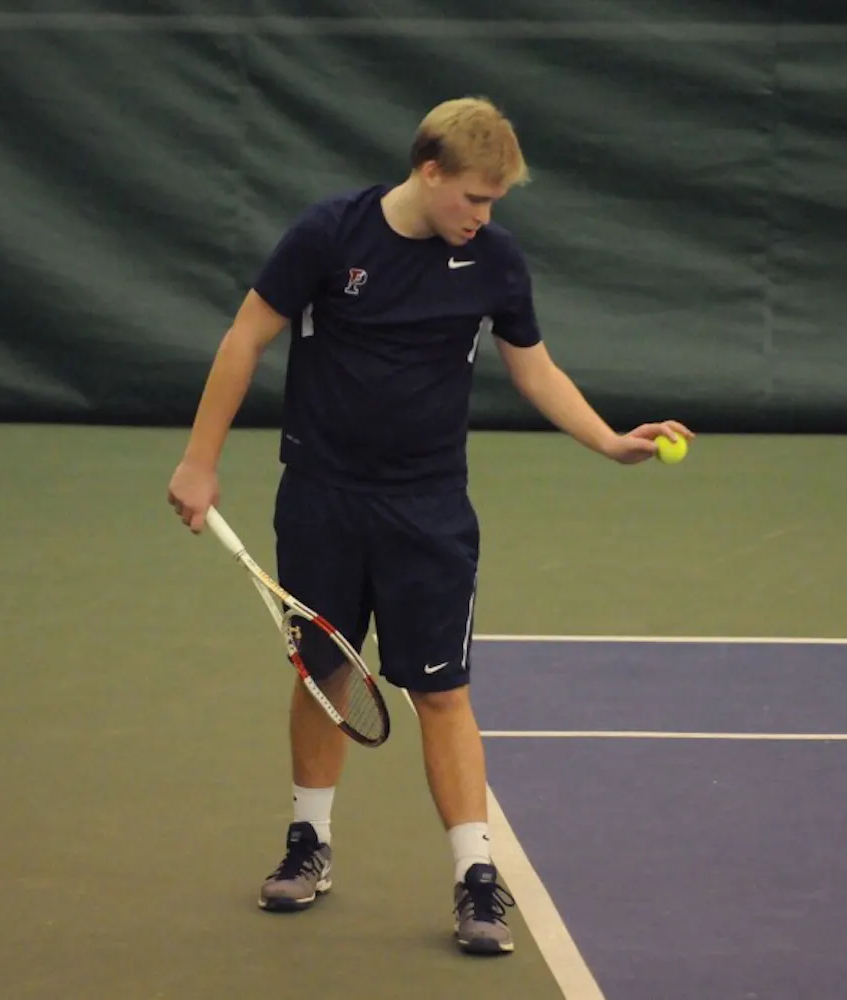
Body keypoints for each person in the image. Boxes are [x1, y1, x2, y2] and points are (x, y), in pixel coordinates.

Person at [167, 96, 693, 955]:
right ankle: (309, 843)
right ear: (430, 171)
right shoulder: (330, 236)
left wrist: (609, 441)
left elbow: (535, 368)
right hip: (322, 498)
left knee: (442, 691)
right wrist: (200, 459)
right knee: (322, 673)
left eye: (495, 205)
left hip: (429, 509)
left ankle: (476, 881)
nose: (482, 218)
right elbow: (244, 338)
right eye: (474, 199)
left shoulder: (495, 263)